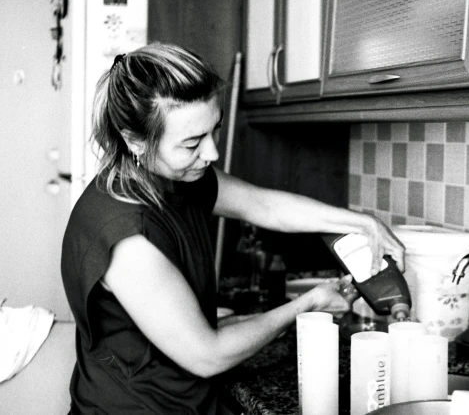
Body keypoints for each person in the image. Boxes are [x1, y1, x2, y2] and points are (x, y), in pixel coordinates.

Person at [60, 43, 405, 414]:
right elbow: (207, 355)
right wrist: (307, 304)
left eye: (214, 131)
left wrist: (364, 223)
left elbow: (264, 206)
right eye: (192, 143)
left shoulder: (177, 178)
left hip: (192, 401)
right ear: (135, 141)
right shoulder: (127, 238)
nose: (211, 154)